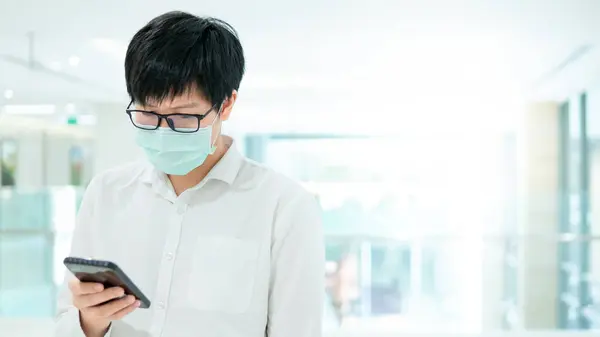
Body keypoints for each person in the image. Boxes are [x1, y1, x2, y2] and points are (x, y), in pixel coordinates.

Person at [54, 11, 325, 337]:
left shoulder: (284, 207)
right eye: (148, 114)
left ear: (226, 105)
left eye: (183, 116)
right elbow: (66, 324)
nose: (163, 130)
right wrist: (90, 322)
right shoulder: (107, 193)